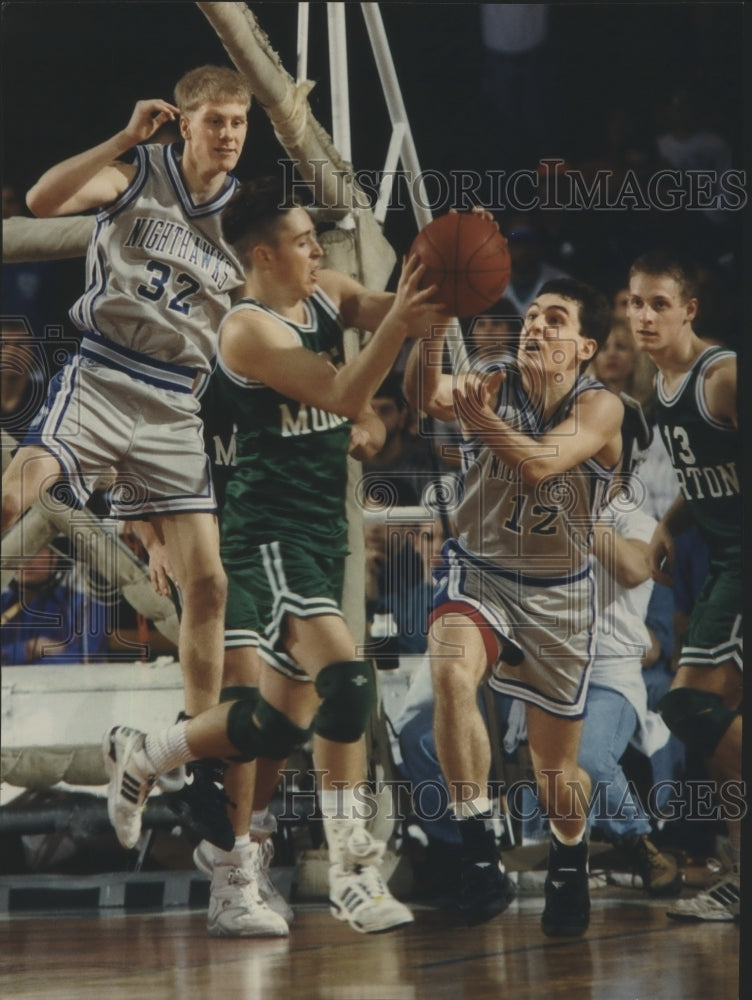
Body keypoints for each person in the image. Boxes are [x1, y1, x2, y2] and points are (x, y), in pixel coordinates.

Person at [101, 177, 445, 937]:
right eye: (301, 241)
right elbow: (349, 394)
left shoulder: (324, 293)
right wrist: (153, 533)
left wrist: (437, 288)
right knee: (349, 684)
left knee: (273, 728)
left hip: (322, 530)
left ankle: (148, 753)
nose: (317, 249)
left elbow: (383, 317)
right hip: (265, 534)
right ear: (262, 256)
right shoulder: (245, 331)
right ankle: (351, 867)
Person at [1, 67, 252, 727]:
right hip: (104, 373)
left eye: (240, 122)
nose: (229, 134)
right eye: (217, 122)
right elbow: (41, 201)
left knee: (208, 583)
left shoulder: (249, 214)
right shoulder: (139, 171)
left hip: (177, 403)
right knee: (10, 498)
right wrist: (120, 137)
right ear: (185, 123)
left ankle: (194, 744)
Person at [404, 275, 623, 935]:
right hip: (481, 572)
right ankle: (476, 847)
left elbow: (538, 465)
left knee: (556, 775)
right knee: (448, 671)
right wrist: (436, 323)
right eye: (532, 316)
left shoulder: (602, 407)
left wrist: (481, 420)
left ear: (585, 346)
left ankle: (568, 853)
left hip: (559, 599)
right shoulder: (495, 377)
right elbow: (421, 393)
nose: (536, 326)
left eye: (555, 319)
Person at [627, 249, 741, 922]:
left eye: (659, 304)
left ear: (688, 310)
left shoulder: (721, 377)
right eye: (635, 302)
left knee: (689, 708)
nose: (644, 316)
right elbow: (707, 478)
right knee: (718, 733)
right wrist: (670, 521)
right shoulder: (663, 388)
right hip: (719, 561)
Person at [1, 543, 109, 664]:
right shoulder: (3, 604)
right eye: (17, 552)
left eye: (35, 551)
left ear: (55, 556)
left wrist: (15, 659)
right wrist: (29, 649)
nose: (25, 560)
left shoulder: (83, 605)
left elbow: (85, 659)